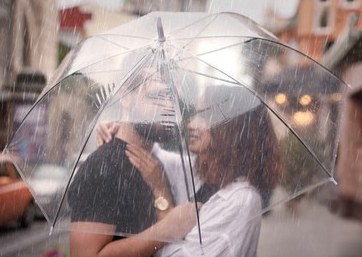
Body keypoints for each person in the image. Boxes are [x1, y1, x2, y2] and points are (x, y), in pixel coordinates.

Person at [98, 84, 281, 256]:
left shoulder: (241, 201)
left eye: (203, 116)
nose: (191, 124)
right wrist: (120, 128)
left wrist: (163, 197)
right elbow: (147, 154)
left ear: (231, 126)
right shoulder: (200, 172)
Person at [68, 67, 198, 257]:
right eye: (158, 96)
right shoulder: (103, 167)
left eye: (172, 98)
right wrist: (166, 230)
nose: (169, 107)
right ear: (126, 97)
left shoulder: (153, 163)